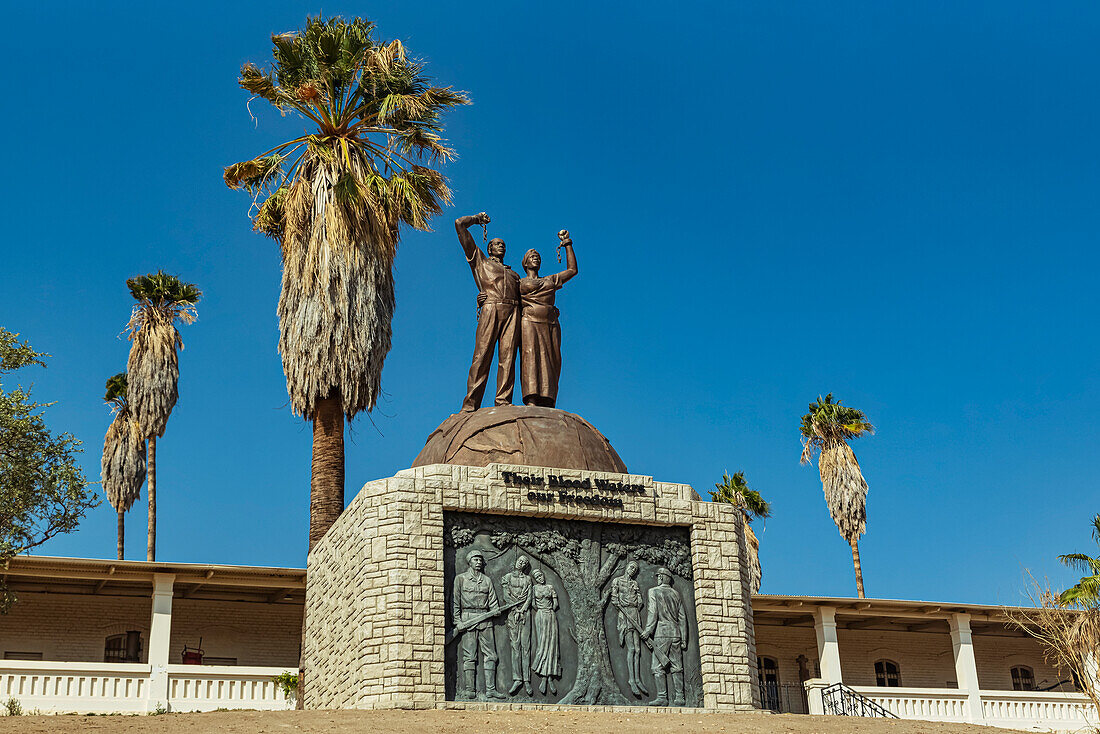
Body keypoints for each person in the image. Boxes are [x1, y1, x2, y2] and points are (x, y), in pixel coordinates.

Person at [455, 212, 520, 411]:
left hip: (513, 310)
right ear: (489, 247)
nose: (501, 246)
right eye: (496, 243)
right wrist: (476, 219)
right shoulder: (480, 261)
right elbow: (459, 225)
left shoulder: (514, 274)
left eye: (503, 244)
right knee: (482, 355)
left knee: (508, 358)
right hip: (491, 306)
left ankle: (503, 401)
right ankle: (470, 403)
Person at [517, 231, 577, 408]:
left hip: (550, 324)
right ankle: (531, 398)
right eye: (532, 256)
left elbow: (573, 270)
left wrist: (567, 243)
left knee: (552, 360)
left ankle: (548, 398)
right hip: (529, 321)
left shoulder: (550, 280)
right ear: (525, 262)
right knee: (531, 357)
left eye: (538, 256)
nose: (536, 258)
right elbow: (501, 293)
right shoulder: (518, 283)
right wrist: (483, 297)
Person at [452, 549, 506, 699]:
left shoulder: (487, 580)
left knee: (491, 655)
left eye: (480, 560)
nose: (479, 562)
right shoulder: (460, 579)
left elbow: (493, 601)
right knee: (469, 656)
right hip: (468, 619)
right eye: (476, 559)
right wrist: (458, 621)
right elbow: (455, 602)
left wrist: (495, 611)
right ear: (469, 561)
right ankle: (470, 689)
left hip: (485, 619)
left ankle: (491, 689)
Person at [643, 567, 689, 706]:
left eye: (658, 577)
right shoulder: (676, 594)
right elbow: (682, 618)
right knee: (677, 666)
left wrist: (647, 631)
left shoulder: (653, 592)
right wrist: (684, 638)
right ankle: (680, 697)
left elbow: (653, 613)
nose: (657, 579)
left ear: (662, 577)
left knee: (657, 667)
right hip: (675, 634)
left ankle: (662, 697)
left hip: (661, 634)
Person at [611, 560, 648, 697]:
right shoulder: (617, 581)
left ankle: (638, 679)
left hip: (634, 614)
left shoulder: (635, 584)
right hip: (624, 615)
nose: (632, 570)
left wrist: (636, 603)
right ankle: (631, 680)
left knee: (638, 649)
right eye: (631, 567)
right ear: (627, 567)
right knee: (631, 648)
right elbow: (614, 599)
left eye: (635, 569)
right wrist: (622, 605)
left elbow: (640, 601)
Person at [501, 555, 534, 695]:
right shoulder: (507, 577)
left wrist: (522, 609)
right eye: (520, 560)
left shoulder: (528, 579)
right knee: (515, 647)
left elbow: (529, 596)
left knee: (525, 647)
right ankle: (517, 679)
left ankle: (527, 680)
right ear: (516, 562)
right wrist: (515, 609)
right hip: (512, 614)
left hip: (525, 614)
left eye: (525, 562)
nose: (522, 563)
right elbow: (505, 595)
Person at [529, 568, 561, 694]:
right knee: (543, 644)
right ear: (535, 579)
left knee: (552, 646)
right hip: (541, 616)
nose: (540, 578)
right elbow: (533, 604)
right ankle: (543, 678)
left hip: (551, 615)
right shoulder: (534, 589)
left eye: (541, 576)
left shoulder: (550, 587)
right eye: (537, 577)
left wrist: (550, 610)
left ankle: (549, 678)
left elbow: (556, 603)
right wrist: (542, 610)